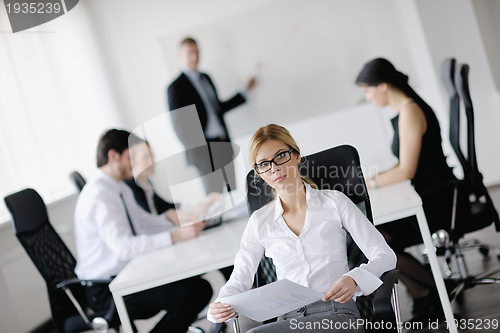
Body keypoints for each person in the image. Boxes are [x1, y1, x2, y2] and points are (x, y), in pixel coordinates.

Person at [207, 124, 396, 332]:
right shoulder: (259, 221)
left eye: (280, 156)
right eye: (264, 164)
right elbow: (239, 279)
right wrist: (220, 305)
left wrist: (354, 278)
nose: (274, 168)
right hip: (287, 318)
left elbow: (385, 254)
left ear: (296, 155)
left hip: (337, 313)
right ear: (259, 173)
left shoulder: (334, 202)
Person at [74, 129, 212, 333]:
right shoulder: (99, 195)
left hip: (125, 274)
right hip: (106, 289)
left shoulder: (118, 187)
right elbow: (124, 248)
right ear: (113, 156)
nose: (134, 163)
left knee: (193, 281)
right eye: (131, 157)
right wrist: (174, 236)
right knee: (194, 292)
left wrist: (177, 223)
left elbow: (144, 223)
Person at [355, 58, 461, 320]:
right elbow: (403, 163)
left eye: (368, 91)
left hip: (437, 200)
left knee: (376, 239)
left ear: (383, 85)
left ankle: (436, 288)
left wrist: (366, 183)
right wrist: (372, 178)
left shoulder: (410, 111)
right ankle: (423, 294)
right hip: (430, 192)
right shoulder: (405, 111)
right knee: (375, 238)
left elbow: (406, 171)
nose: (368, 98)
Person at [125, 139, 234, 280]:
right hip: (155, 251)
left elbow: (168, 207)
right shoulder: (131, 189)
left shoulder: (145, 183)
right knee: (212, 249)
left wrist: (201, 203)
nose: (153, 161)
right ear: (131, 160)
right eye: (146, 157)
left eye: (152, 155)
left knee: (215, 247)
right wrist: (188, 213)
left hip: (164, 242)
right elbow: (163, 216)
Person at [167, 37, 256, 194]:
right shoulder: (176, 87)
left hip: (223, 143)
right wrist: (200, 152)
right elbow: (179, 126)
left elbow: (217, 108)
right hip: (204, 151)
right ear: (180, 55)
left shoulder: (206, 77)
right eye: (189, 53)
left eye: (196, 52)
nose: (194, 57)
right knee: (215, 198)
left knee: (233, 193)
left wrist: (243, 92)